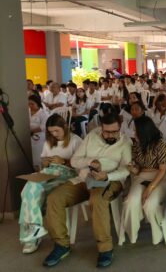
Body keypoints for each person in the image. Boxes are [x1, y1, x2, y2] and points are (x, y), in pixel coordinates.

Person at [43, 112, 132, 268]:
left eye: (114, 131)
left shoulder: (125, 143)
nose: (110, 135)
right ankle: (61, 245)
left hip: (110, 180)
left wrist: (106, 176)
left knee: (97, 200)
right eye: (106, 131)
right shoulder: (92, 136)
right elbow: (75, 160)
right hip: (84, 179)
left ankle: (105, 248)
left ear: (120, 128)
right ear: (101, 127)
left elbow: (126, 170)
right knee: (54, 198)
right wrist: (92, 161)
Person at [19, 114, 81, 254]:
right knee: (29, 187)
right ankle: (34, 229)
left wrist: (64, 161)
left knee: (33, 189)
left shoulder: (76, 141)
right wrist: (45, 162)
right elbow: (43, 161)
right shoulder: (49, 142)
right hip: (49, 171)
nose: (54, 134)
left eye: (56, 131)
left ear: (65, 126)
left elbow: (81, 166)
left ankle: (31, 235)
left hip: (67, 174)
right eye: (51, 131)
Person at [119, 116, 166, 245]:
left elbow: (162, 170)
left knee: (150, 203)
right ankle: (132, 234)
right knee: (130, 202)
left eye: (136, 131)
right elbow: (139, 170)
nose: (134, 133)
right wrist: (134, 169)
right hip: (143, 176)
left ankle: (158, 233)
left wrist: (149, 189)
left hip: (162, 178)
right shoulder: (138, 145)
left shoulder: (161, 145)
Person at [29, 94, 49, 168]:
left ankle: (38, 165)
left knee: (37, 151)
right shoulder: (27, 111)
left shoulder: (43, 113)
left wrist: (31, 131)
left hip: (39, 135)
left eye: (32, 104)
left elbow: (43, 127)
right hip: (29, 133)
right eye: (29, 104)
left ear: (37, 103)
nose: (30, 106)